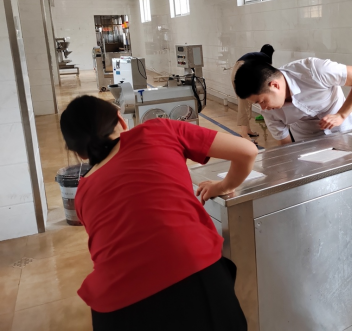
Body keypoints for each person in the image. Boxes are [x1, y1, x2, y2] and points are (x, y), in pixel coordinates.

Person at [60, 95, 258, 331]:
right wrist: (223, 186)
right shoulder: (158, 129)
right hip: (193, 276)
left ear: (80, 153)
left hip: (116, 309)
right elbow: (247, 150)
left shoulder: (82, 193)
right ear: (121, 120)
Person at [234, 57, 352, 144]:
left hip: (341, 130)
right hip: (306, 139)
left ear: (275, 85)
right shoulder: (269, 112)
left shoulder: (314, 70)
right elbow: (285, 145)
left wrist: (341, 115)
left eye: (262, 101)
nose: (263, 108)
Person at [230, 44, 275, 143]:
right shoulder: (265, 58)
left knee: (247, 101)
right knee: (244, 102)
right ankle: (244, 134)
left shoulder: (257, 56)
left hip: (237, 70)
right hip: (242, 71)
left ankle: (247, 130)